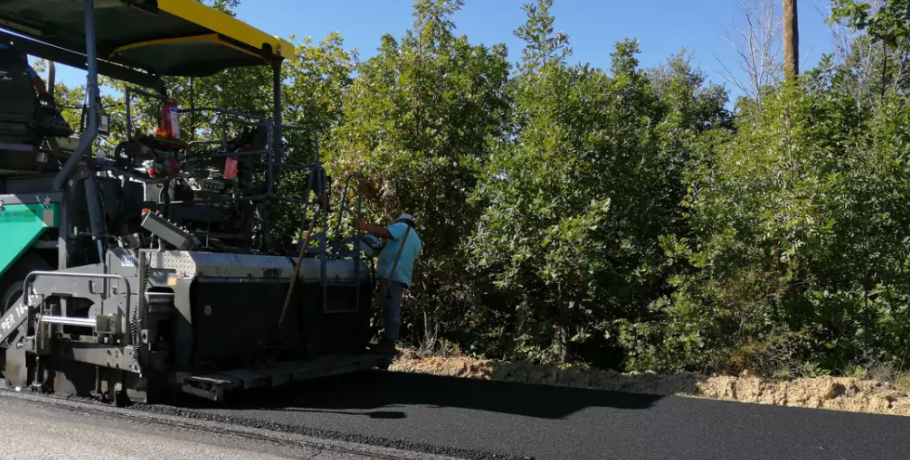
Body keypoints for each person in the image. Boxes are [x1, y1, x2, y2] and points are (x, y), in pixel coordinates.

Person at [355, 213, 422, 354]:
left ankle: (389, 342)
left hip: (391, 275)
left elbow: (386, 232)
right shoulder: (416, 239)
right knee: (390, 306)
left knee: (391, 308)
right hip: (401, 277)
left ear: (401, 221)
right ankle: (385, 340)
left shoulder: (402, 228)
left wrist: (365, 227)